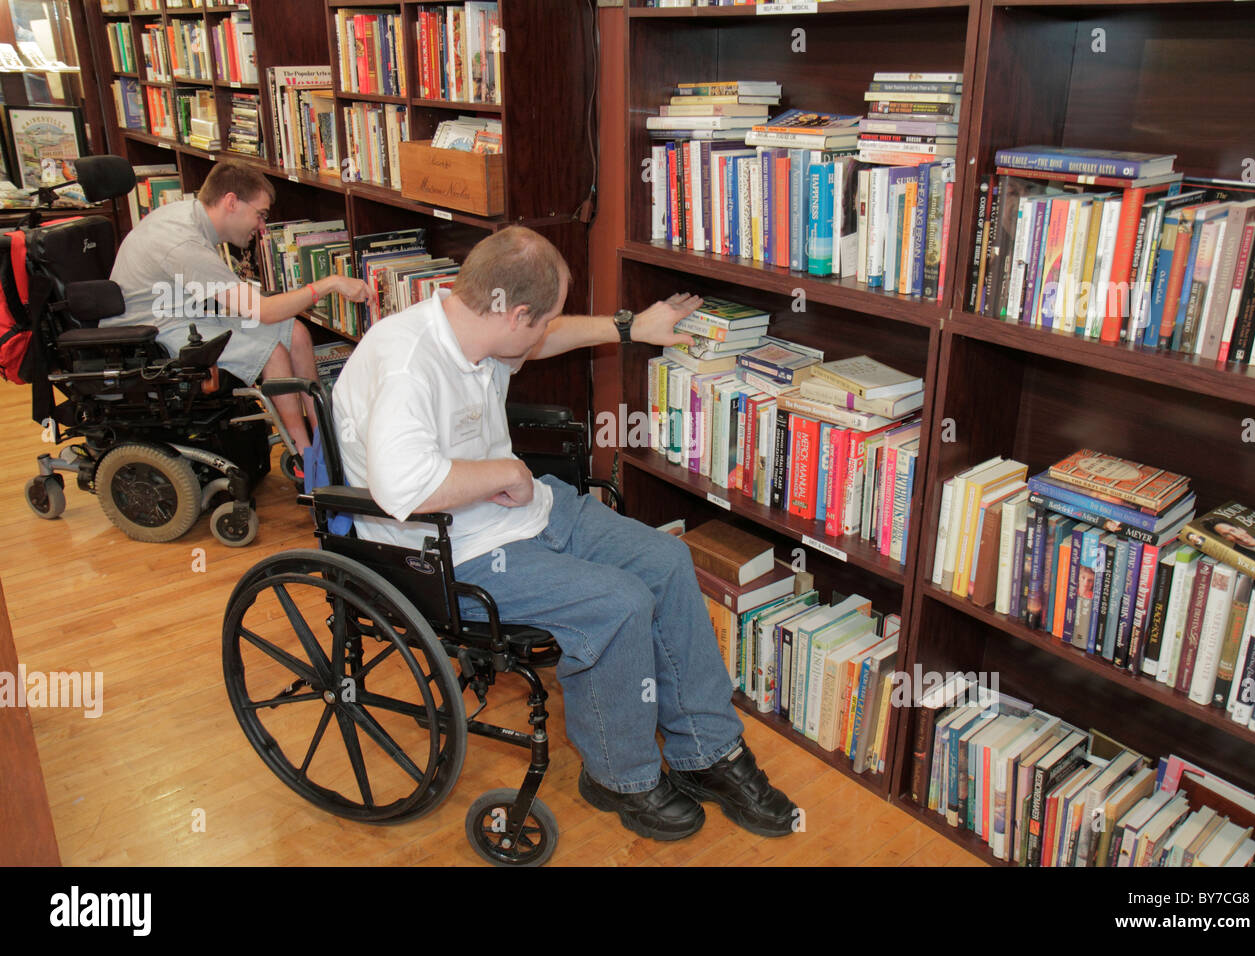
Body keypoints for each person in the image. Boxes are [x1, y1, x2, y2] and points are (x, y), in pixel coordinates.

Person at [330, 225, 797, 841]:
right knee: (619, 604)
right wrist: (507, 472)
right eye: (543, 317)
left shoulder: (476, 326)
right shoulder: (407, 364)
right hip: (450, 550)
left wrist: (630, 327)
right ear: (515, 313)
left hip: (522, 513)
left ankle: (707, 750)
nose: (547, 329)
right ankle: (619, 776)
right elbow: (404, 489)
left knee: (665, 560)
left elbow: (546, 338)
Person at [106, 161, 377, 456]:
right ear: (231, 202)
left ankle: (327, 440)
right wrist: (330, 283)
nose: (262, 227)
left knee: (296, 333)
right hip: (153, 333)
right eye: (260, 215)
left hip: (186, 315)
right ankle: (306, 456)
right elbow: (264, 311)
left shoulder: (189, 217)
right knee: (272, 352)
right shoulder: (185, 242)